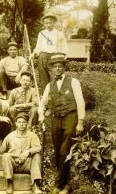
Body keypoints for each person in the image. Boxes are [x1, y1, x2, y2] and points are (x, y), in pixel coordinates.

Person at [38, 54, 85, 194]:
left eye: (60, 66)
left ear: (64, 67)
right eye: (55, 66)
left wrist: (80, 121)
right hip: (55, 119)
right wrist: (41, 115)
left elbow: (80, 102)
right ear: (52, 69)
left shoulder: (73, 82)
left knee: (65, 149)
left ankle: (58, 185)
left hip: (71, 117)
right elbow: (42, 103)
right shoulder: (49, 85)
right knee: (58, 150)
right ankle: (66, 185)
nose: (57, 69)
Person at [0, 112, 42, 194]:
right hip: (14, 164)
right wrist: (11, 152)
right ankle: (9, 183)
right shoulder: (10, 136)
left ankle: (35, 185)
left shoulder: (32, 135)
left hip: (27, 164)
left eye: (24, 122)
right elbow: (2, 150)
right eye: (19, 122)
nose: (21, 124)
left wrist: (28, 151)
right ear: (16, 124)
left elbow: (38, 148)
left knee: (36, 156)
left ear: (27, 123)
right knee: (5, 156)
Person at [30, 13, 68, 91]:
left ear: (54, 23)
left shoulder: (59, 34)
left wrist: (63, 56)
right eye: (46, 23)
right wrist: (34, 53)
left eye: (50, 23)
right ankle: (45, 93)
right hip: (43, 56)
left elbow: (64, 46)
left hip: (55, 56)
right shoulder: (41, 33)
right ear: (44, 24)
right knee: (43, 75)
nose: (48, 25)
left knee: (54, 75)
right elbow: (38, 47)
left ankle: (55, 92)